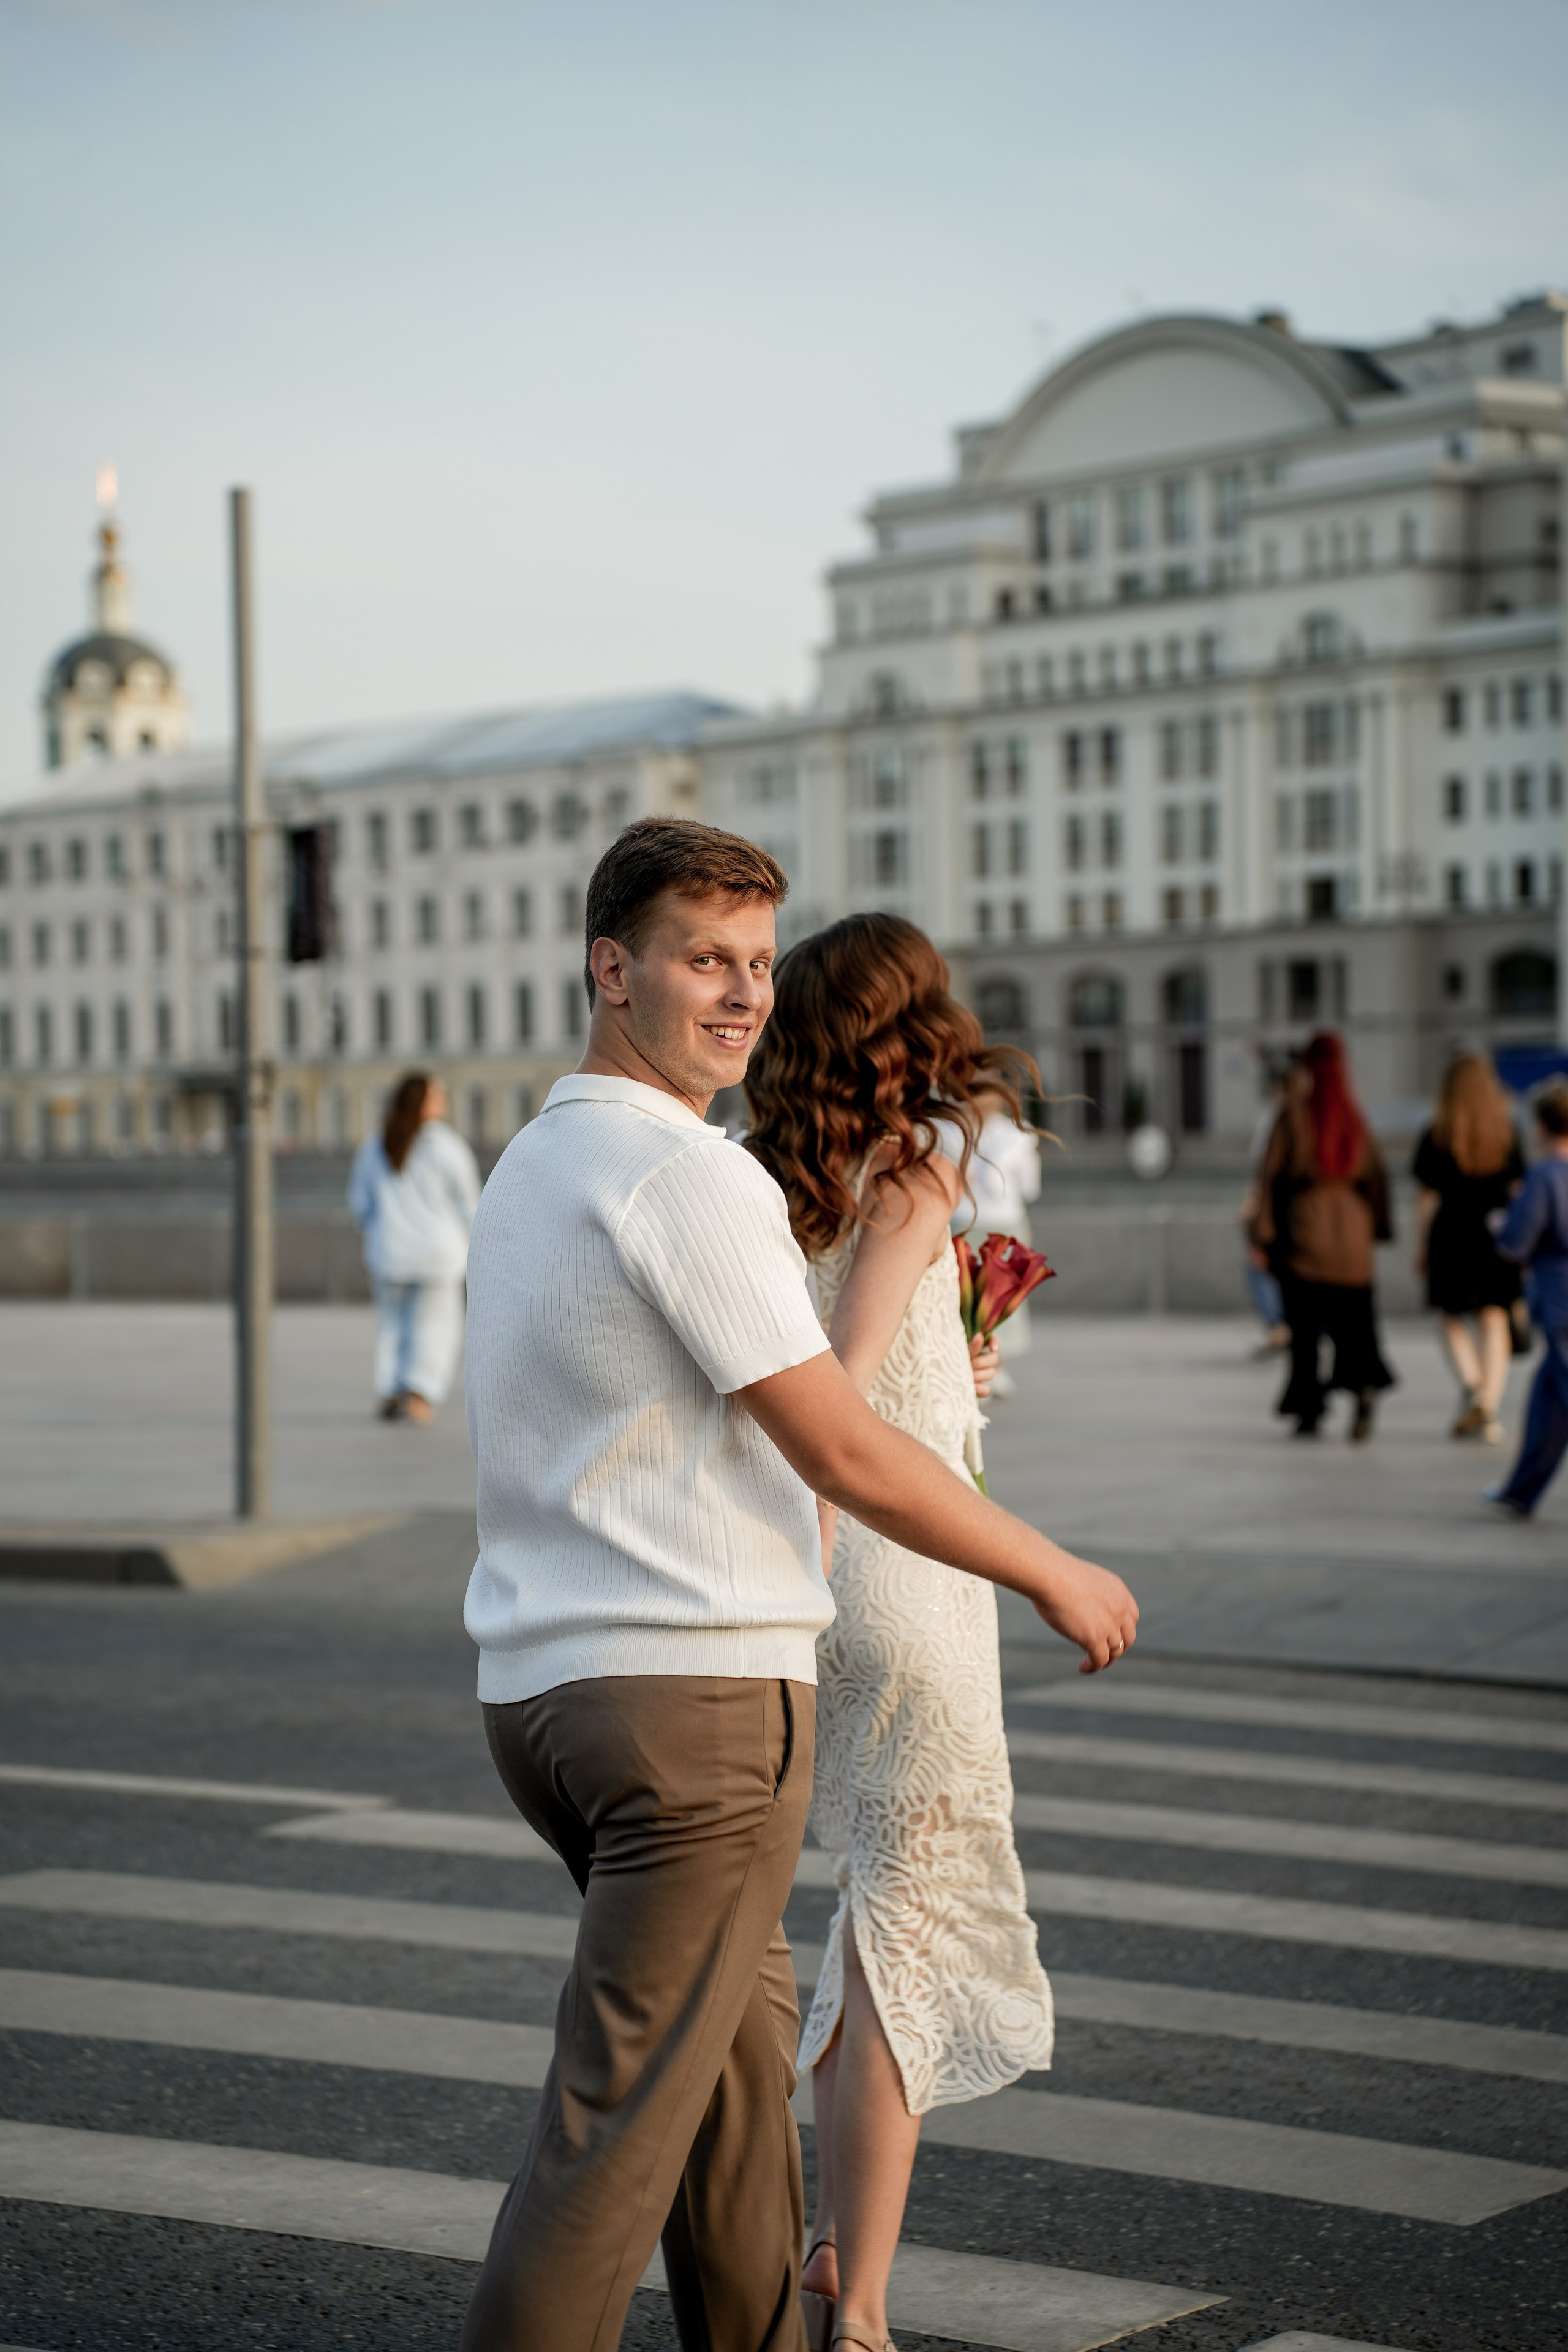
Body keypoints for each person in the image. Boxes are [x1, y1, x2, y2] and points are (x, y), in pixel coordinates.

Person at [458, 820, 1137, 2352]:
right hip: (689, 1704)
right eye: (704, 958)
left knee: (725, 2099)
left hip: (547, 1694)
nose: (740, 994)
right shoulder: (680, 1172)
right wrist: (1049, 1564)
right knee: (615, 2135)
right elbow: (837, 1439)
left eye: (758, 963)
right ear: (608, 966)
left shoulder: (535, 1161)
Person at [744, 912, 1059, 2352]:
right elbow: (852, 1392)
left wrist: (960, 1354)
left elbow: (841, 1364)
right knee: (902, 1920)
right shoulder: (911, 1173)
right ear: (910, 1019)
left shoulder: (778, 1183)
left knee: (872, 1903)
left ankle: (828, 2262)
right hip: (900, 1573)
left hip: (832, 1568)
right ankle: (851, 2296)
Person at [1255, 1031, 1395, 1442]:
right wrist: (1379, 1229)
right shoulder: (1356, 1118)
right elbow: (1377, 1179)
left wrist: (1264, 1233)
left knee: (1305, 1332)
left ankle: (1309, 1410)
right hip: (1353, 1238)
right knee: (1357, 1326)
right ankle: (1364, 1388)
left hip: (1307, 1233)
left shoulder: (1294, 1114)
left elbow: (1270, 1176)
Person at [347, 1072, 481, 1423]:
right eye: (438, 1096)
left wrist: (376, 1236)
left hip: (389, 1251)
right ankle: (420, 1393)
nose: (444, 1102)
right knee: (436, 1326)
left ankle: (392, 1387)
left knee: (392, 1324)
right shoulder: (448, 1147)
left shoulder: (376, 1146)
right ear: (424, 1103)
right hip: (439, 1254)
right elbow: (469, 1203)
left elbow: (360, 1204)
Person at [1411, 1055, 1524, 1444]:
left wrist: (1420, 1246)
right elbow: (1519, 1191)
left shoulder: (1437, 1132)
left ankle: (1474, 1390)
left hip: (1451, 1234)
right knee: (1495, 1318)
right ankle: (1489, 1407)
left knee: (1451, 1317)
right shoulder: (1506, 1130)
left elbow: (1426, 1197)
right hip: (1497, 1233)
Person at [1485, 1077, 1568, 1517]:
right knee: (1548, 1402)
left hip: (1560, 1302)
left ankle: (1521, 1489)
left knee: (1561, 1389)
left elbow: (1516, 1243)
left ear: (1541, 1126)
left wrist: (1501, 1224)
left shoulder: (1545, 1175)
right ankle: (1522, 1489)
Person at [934, 1084, 1044, 1394]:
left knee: (965, 1297)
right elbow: (1030, 1188)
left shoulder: (949, 1131)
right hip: (1000, 1222)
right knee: (1000, 1295)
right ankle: (995, 1366)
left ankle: (979, 1365)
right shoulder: (1017, 1136)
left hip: (964, 1223)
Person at [1240, 1065, 1290, 1357]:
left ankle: (1279, 1327)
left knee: (1260, 1266)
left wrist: (1254, 1202)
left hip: (1278, 1209)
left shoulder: (1277, 1121)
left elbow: (1265, 1170)